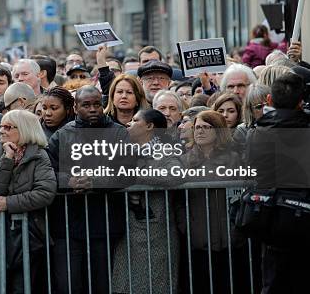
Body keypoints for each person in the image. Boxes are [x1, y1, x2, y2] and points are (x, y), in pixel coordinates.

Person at [47, 85, 131, 294]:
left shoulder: (119, 133)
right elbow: (46, 174)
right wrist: (69, 181)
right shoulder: (61, 135)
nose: (93, 109)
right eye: (86, 105)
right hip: (67, 226)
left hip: (104, 224)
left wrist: (95, 182)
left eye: (97, 104)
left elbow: (127, 172)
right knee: (69, 285)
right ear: (75, 107)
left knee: (102, 284)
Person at [245, 72, 310, 292]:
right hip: (300, 214)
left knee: (274, 281)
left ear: (270, 101)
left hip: (271, 215)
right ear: (301, 103)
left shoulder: (257, 132)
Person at [0, 109, 56, 293]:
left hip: (30, 234)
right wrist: (7, 159)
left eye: (8, 127)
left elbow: (45, 192)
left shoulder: (39, 155)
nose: (2, 131)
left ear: (23, 129)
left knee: (23, 286)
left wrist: (8, 203)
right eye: (1, 126)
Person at [112, 109, 182, 294]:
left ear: (150, 126)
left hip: (156, 232)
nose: (129, 123)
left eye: (135, 120)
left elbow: (175, 174)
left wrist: (136, 176)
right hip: (128, 229)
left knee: (156, 285)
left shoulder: (165, 148)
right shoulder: (125, 150)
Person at [176, 111, 245, 294]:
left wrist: (237, 227)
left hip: (230, 238)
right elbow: (178, 202)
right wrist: (186, 226)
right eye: (197, 127)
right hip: (198, 239)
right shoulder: (183, 161)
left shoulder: (234, 160)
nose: (200, 131)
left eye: (207, 127)